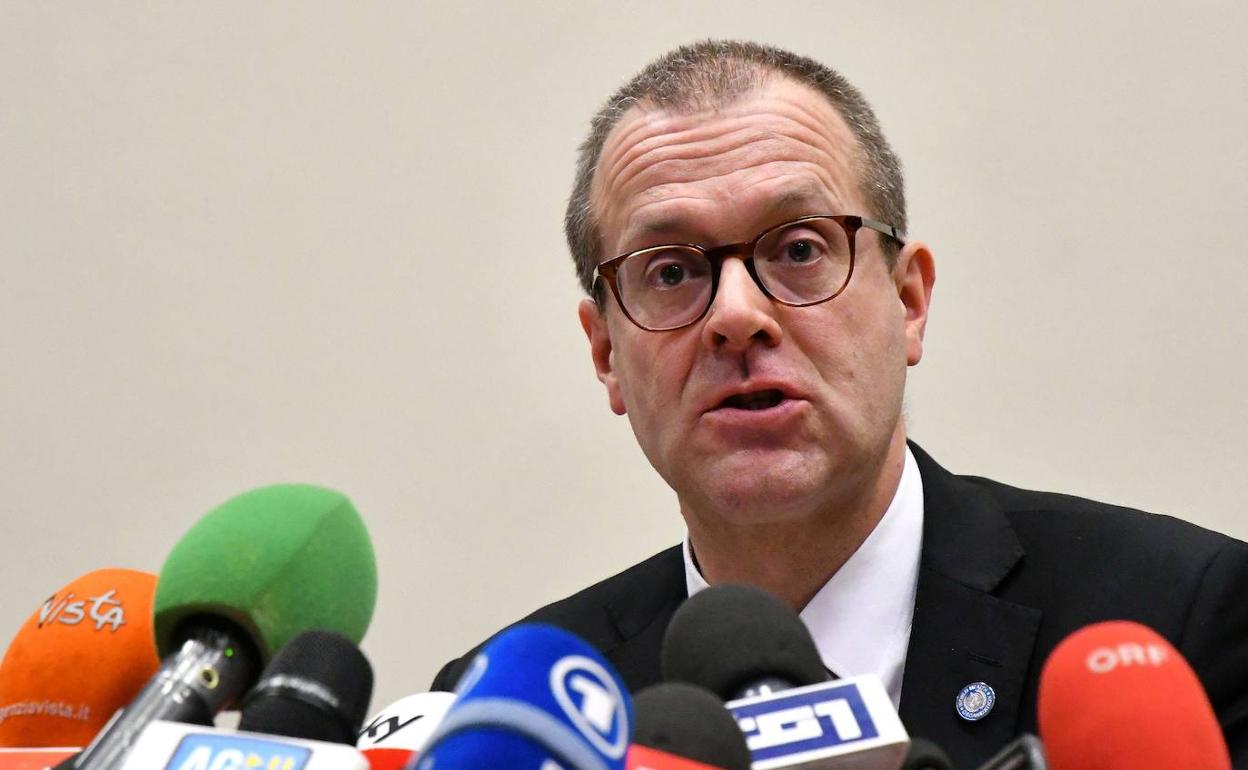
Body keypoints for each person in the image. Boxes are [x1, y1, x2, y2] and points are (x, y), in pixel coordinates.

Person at [432, 40, 1248, 766]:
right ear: (607, 353)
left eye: (799, 249)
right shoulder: (511, 725)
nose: (736, 316)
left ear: (909, 301)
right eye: (671, 272)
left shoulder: (1183, 616)